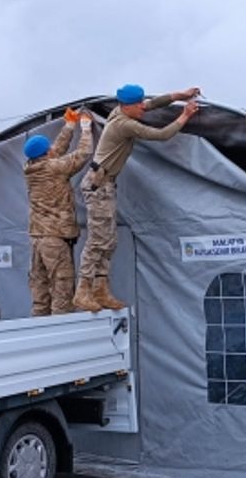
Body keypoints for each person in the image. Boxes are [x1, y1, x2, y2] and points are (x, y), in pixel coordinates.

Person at [74, 84, 200, 312]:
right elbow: (161, 135)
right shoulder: (124, 125)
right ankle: (82, 290)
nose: (144, 107)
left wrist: (181, 95)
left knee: (109, 240)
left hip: (105, 184)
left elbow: (154, 103)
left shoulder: (120, 111)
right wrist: (185, 115)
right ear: (127, 106)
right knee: (97, 241)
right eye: (139, 104)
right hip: (98, 185)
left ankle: (100, 289)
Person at [24, 108, 95, 316]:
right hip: (55, 239)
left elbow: (55, 151)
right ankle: (61, 337)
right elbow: (83, 154)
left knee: (40, 295)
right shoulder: (54, 168)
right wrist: (85, 127)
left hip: (37, 238)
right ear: (46, 154)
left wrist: (69, 125)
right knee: (62, 292)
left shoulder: (29, 168)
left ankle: (39, 337)